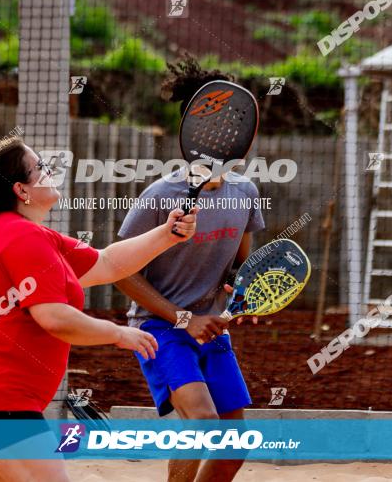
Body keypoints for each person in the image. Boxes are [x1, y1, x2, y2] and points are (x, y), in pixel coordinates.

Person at [0, 135, 198, 482]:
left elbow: (108, 263)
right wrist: (118, 333)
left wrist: (167, 234)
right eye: (40, 168)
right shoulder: (22, 236)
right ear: (22, 190)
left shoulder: (30, 235)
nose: (51, 172)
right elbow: (53, 316)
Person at [115, 59, 266, 482]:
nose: (224, 131)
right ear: (191, 129)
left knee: (233, 448)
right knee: (202, 425)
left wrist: (246, 297)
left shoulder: (245, 192)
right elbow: (120, 271)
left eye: (234, 120)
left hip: (212, 328)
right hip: (162, 329)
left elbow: (239, 267)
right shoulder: (161, 195)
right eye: (213, 121)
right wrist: (185, 319)